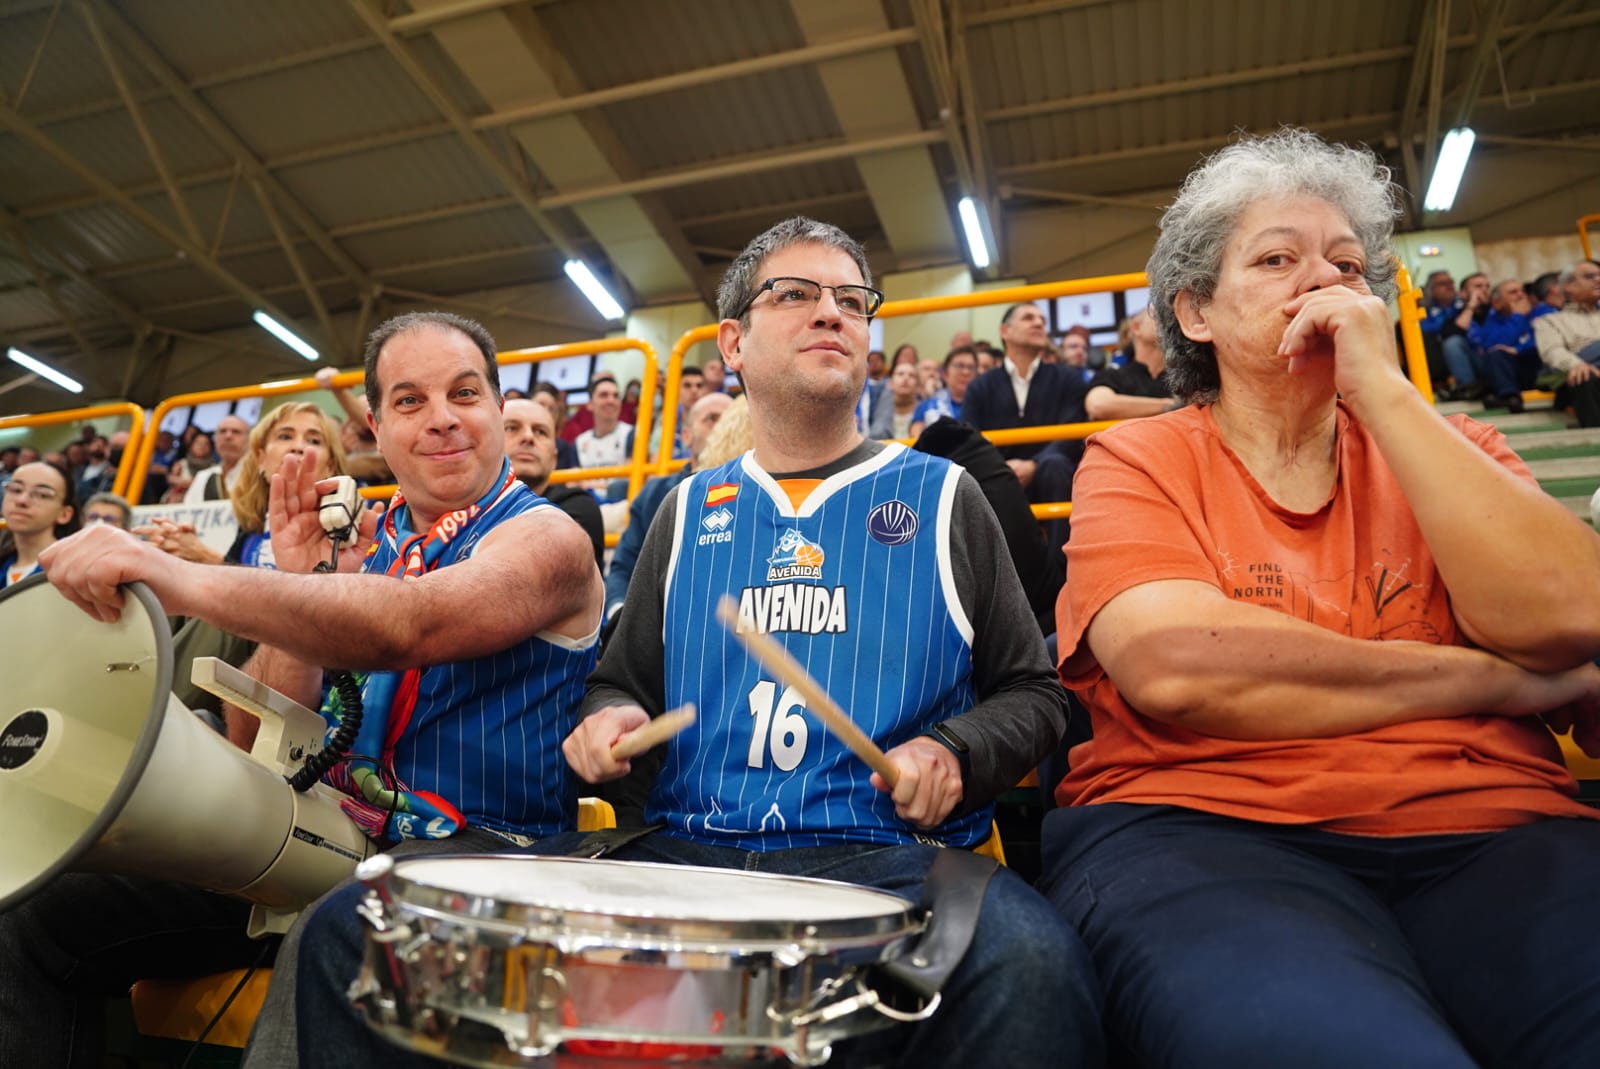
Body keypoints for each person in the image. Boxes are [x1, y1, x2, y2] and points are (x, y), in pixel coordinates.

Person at [285, 217, 1102, 1069]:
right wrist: (606, 726)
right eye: (796, 294)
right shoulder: (685, 510)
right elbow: (617, 683)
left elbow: (1038, 695)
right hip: (682, 852)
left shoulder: (944, 496)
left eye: (852, 300)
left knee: (1035, 969)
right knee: (358, 928)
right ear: (733, 342)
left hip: (885, 859)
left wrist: (952, 750)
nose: (831, 312)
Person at [1038, 127, 1600, 1069]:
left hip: (1496, 829)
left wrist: (1379, 390)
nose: (1324, 280)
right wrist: (1498, 684)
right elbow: (1176, 663)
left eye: (1347, 264)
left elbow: (1569, 614)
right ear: (1196, 312)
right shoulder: (1141, 455)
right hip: (1207, 831)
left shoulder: (1458, 448)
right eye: (1275, 258)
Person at [2, 312, 604, 1069]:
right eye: (411, 401)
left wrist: (182, 577)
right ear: (377, 432)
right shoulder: (372, 547)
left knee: (335, 928)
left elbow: (409, 626)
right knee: (33, 916)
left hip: (484, 855)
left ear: (494, 407)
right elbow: (259, 732)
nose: (443, 417)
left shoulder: (548, 536)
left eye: (465, 392)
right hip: (329, 844)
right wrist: (297, 581)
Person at [140, 402, 347, 568]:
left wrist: (205, 557)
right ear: (260, 459)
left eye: (314, 441)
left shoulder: (347, 528)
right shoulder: (249, 531)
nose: (298, 447)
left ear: (330, 465)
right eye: (285, 436)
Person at [960, 301, 1090, 550]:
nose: (1039, 322)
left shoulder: (1068, 379)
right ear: (1004, 331)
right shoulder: (980, 386)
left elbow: (1071, 434)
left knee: (1056, 465)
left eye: (1042, 319)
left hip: (1050, 476)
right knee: (976, 477)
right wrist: (1003, 470)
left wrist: (1035, 464)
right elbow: (970, 438)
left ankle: (1062, 578)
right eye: (1028, 317)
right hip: (998, 476)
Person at [602, 390, 733, 623]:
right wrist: (619, 619)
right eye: (712, 419)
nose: (722, 428)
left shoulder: (757, 494)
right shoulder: (656, 493)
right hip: (658, 629)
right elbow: (624, 567)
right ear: (686, 436)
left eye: (730, 420)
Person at [503, 396, 605, 570]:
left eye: (540, 432)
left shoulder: (578, 507)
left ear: (554, 459)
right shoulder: (460, 509)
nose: (528, 437)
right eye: (512, 428)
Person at [1532, 261, 1600, 428]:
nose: (1598, 279)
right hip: (1580, 378)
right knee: (1583, 376)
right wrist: (1576, 364)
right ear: (1568, 286)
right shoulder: (1550, 321)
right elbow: (1552, 351)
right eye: (1589, 276)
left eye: (1599, 275)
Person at [1084, 306, 1175, 420]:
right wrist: (1171, 405)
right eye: (1158, 315)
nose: (1169, 320)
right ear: (1136, 327)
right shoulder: (1113, 376)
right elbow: (1098, 405)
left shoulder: (1184, 375)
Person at [1, 461, 78, 588]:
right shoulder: (4, 565)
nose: (22, 500)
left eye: (42, 494)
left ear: (65, 514)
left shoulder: (74, 571)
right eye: (16, 489)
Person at [1469, 278, 1541, 413]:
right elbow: (1494, 346)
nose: (1521, 295)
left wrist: (1518, 350)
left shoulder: (1541, 311)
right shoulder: (1493, 320)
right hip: (1514, 372)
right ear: (1496, 303)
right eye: (1513, 292)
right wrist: (1518, 316)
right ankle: (1510, 397)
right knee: (1495, 356)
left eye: (1523, 291)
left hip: (1539, 366)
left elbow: (1544, 342)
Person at [910, 344, 978, 435]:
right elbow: (915, 438)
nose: (965, 372)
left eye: (971, 367)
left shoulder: (983, 406)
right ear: (945, 373)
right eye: (959, 366)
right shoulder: (928, 405)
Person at [184, 414, 252, 502]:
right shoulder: (203, 477)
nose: (228, 436)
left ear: (249, 439)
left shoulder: (259, 475)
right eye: (222, 431)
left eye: (236, 432)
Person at [867, 360, 922, 439]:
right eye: (900, 374)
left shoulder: (925, 410)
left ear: (918, 385)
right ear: (890, 383)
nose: (906, 378)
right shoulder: (877, 407)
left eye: (912, 375)